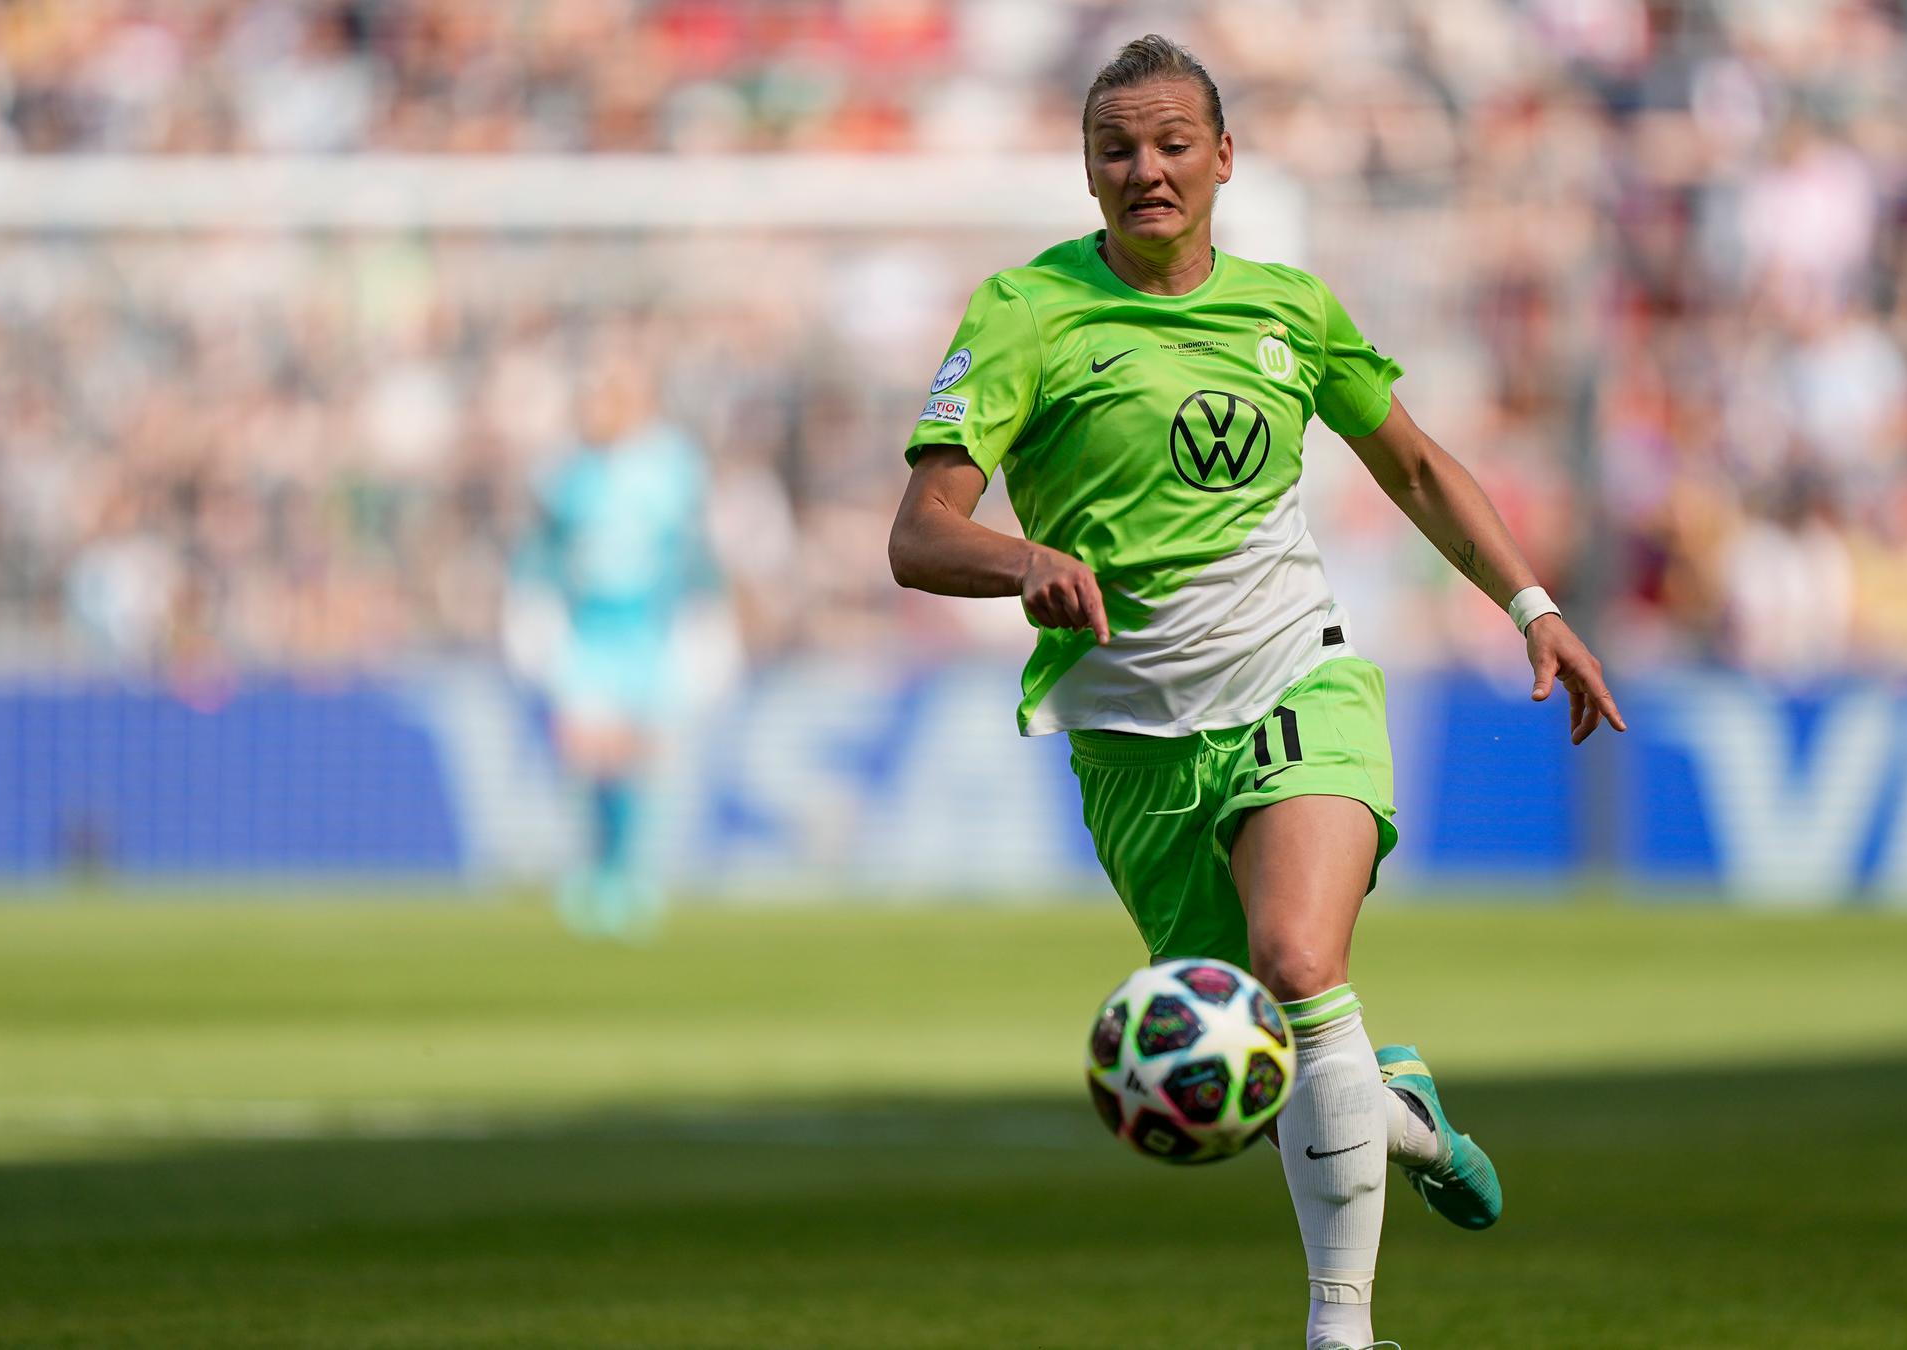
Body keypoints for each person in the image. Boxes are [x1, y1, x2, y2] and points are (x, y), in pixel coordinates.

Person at [888, 36, 1625, 1350]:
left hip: (1298, 670)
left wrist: (1535, 604)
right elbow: (920, 532)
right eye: (1118, 149)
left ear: (1225, 158)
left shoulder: (1290, 307)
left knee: (1297, 962)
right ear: (1087, 170)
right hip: (1131, 731)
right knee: (1257, 1057)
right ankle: (1397, 1111)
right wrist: (1025, 560)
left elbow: (1412, 466)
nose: (1147, 169)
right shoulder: (1022, 312)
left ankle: (1340, 1332)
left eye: (1174, 143)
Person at [507, 342, 727, 941]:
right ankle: (598, 869)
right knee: (587, 752)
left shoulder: (673, 465)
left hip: (647, 629)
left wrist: (706, 619)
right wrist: (529, 612)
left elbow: (694, 550)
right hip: (588, 629)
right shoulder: (563, 472)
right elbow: (541, 550)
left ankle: (630, 876)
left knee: (635, 754)